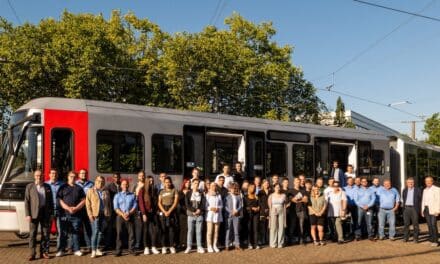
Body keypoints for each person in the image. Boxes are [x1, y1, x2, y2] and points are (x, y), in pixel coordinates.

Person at [25, 170, 54, 261]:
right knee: (32, 234)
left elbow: (51, 202)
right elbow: (26, 202)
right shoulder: (30, 187)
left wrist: (52, 214)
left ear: (43, 176)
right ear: (34, 176)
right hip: (33, 214)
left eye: (40, 176)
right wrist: (27, 214)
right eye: (37, 175)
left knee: (45, 234)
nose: (39, 177)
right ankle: (32, 254)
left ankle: (44, 252)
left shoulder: (47, 187)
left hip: (45, 213)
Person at [57, 171, 86, 257]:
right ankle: (61, 250)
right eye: (71, 176)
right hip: (64, 214)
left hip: (76, 214)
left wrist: (76, 208)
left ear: (76, 178)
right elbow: (60, 200)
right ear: (68, 177)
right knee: (63, 233)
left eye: (74, 176)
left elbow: (84, 200)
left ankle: (76, 250)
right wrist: (68, 208)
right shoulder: (62, 187)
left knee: (75, 232)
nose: (72, 178)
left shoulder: (79, 188)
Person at [86, 176, 111, 258]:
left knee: (100, 233)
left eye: (102, 182)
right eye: (99, 181)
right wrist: (90, 215)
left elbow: (109, 204)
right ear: (95, 182)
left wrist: (109, 214)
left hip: (104, 214)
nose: (100, 183)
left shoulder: (106, 191)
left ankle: (97, 249)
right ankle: (93, 251)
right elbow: (88, 204)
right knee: (95, 232)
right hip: (95, 215)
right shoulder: (90, 191)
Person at [113, 179, 137, 257]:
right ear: (121, 186)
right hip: (120, 217)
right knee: (119, 234)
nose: (125, 186)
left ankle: (131, 249)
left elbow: (135, 206)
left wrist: (129, 213)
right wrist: (123, 214)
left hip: (130, 216)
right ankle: (118, 251)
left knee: (131, 234)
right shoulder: (117, 195)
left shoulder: (132, 195)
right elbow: (116, 207)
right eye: (123, 184)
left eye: (126, 184)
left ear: (128, 185)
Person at [138, 175, 160, 255]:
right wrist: (143, 213)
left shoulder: (154, 190)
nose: (151, 182)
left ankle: (153, 247)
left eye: (152, 181)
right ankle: (146, 247)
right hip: (145, 213)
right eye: (150, 181)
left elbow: (156, 202)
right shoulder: (142, 190)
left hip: (153, 213)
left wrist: (157, 210)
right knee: (146, 230)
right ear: (147, 182)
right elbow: (141, 203)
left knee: (154, 230)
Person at [158, 176, 179, 254]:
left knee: (171, 230)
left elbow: (175, 202)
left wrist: (169, 211)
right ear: (164, 183)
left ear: (171, 183)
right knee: (163, 229)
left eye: (168, 182)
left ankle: (171, 246)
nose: (167, 183)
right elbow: (159, 203)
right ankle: (163, 247)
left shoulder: (174, 191)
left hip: (172, 211)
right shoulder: (161, 192)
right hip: (163, 210)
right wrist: (164, 211)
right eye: (166, 182)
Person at [184, 178, 206, 254]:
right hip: (190, 215)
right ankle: (189, 247)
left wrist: (199, 210)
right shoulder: (188, 193)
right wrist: (193, 211)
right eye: (195, 183)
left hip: (199, 215)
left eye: (197, 183)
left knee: (199, 231)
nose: (196, 184)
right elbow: (187, 204)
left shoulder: (201, 193)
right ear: (192, 184)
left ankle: (199, 246)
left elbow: (203, 203)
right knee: (190, 231)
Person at [45, 169, 63, 254]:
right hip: (49, 212)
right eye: (52, 173)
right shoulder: (45, 185)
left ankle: (59, 249)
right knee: (47, 231)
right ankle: (46, 249)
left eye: (55, 173)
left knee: (59, 231)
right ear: (49, 175)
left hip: (59, 210)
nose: (54, 175)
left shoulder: (62, 185)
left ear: (57, 175)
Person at [76, 169, 94, 251]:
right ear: (79, 175)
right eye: (82, 173)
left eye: (85, 173)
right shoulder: (75, 183)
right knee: (76, 228)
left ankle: (89, 246)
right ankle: (76, 247)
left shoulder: (91, 184)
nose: (83, 174)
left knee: (87, 228)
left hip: (87, 209)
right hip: (78, 208)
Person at [354, 177, 375, 241]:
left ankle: (370, 236)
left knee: (369, 222)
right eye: (363, 181)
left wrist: (368, 206)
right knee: (359, 222)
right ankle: (358, 236)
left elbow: (373, 199)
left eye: (365, 181)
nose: (364, 182)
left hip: (369, 209)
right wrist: (362, 206)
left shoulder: (371, 190)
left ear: (367, 182)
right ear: (360, 182)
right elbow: (356, 200)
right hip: (360, 208)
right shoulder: (357, 190)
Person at [401, 177, 422, 243]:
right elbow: (404, 199)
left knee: (415, 224)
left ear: (414, 183)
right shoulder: (404, 190)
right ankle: (406, 238)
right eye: (409, 182)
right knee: (406, 224)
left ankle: (415, 238)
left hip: (414, 209)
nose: (410, 184)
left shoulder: (418, 190)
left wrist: (419, 209)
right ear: (406, 183)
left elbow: (420, 200)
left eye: (412, 182)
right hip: (406, 209)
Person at [104, 172, 121, 250]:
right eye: (115, 177)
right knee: (110, 228)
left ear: (120, 177)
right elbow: (105, 196)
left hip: (120, 210)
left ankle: (117, 244)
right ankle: (107, 245)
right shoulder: (109, 186)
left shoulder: (122, 186)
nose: (116, 178)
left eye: (118, 177)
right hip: (112, 210)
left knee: (119, 228)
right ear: (113, 178)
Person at [421, 176, 440, 247]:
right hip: (426, 209)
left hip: (433, 209)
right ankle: (431, 239)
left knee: (433, 225)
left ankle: (436, 241)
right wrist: (422, 210)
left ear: (432, 181)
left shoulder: (437, 189)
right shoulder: (425, 190)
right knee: (429, 225)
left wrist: (438, 210)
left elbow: (439, 200)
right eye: (426, 181)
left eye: (429, 181)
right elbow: (423, 201)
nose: (428, 182)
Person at [289, 177, 308, 245]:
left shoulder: (303, 191)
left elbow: (306, 200)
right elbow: (293, 200)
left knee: (301, 226)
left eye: (298, 182)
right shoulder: (290, 191)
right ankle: (290, 240)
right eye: (296, 182)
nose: (297, 183)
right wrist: (301, 199)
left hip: (301, 210)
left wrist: (298, 199)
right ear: (294, 182)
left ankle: (301, 240)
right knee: (293, 225)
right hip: (293, 211)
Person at [225, 182, 243, 251]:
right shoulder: (227, 197)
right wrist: (231, 211)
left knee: (236, 231)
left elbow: (240, 205)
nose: (233, 189)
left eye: (234, 188)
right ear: (229, 189)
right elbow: (225, 206)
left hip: (236, 215)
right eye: (231, 188)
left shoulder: (238, 196)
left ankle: (237, 245)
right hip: (229, 215)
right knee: (228, 231)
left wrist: (237, 211)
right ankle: (227, 245)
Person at [205, 182, 223, 253]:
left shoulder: (219, 195)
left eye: (215, 186)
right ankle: (209, 246)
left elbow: (221, 205)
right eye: (212, 186)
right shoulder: (207, 195)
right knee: (209, 231)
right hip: (210, 215)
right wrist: (211, 208)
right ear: (210, 187)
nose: (214, 187)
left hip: (217, 215)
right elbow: (205, 206)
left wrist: (218, 208)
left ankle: (215, 245)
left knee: (216, 231)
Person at [268, 183, 287, 248]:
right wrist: (271, 212)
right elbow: (269, 205)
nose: (278, 188)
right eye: (276, 187)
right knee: (273, 227)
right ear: (274, 188)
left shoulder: (283, 195)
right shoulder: (271, 196)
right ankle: (273, 243)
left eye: (279, 187)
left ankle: (280, 243)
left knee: (281, 227)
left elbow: (285, 204)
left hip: (281, 210)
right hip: (273, 210)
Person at [244, 183, 260, 249]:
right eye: (251, 187)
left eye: (254, 187)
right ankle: (249, 243)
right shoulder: (245, 197)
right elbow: (245, 207)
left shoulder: (256, 197)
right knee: (249, 229)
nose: (253, 189)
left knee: (255, 229)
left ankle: (256, 244)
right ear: (248, 188)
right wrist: (251, 208)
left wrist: (258, 207)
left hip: (256, 214)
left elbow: (259, 205)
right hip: (248, 215)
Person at [133, 171, 146, 250]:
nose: (142, 177)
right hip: (137, 207)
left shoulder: (147, 185)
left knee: (145, 226)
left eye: (143, 176)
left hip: (145, 207)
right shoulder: (135, 186)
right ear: (138, 177)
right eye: (140, 176)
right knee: (138, 226)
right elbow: (133, 196)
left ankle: (144, 243)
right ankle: (138, 243)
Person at [258, 179, 271, 246]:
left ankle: (267, 239)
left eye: (267, 183)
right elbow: (259, 202)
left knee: (268, 226)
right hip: (262, 211)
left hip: (270, 211)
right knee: (262, 226)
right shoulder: (260, 192)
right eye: (265, 183)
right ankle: (262, 240)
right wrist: (263, 209)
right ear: (263, 184)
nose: (266, 185)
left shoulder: (271, 192)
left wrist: (269, 209)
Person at [178, 179, 190, 250]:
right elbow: (179, 201)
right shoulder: (180, 192)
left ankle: (186, 243)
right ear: (184, 183)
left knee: (188, 228)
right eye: (187, 182)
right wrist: (184, 195)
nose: (188, 183)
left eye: (189, 182)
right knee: (182, 228)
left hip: (190, 212)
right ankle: (181, 243)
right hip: (182, 212)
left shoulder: (191, 191)